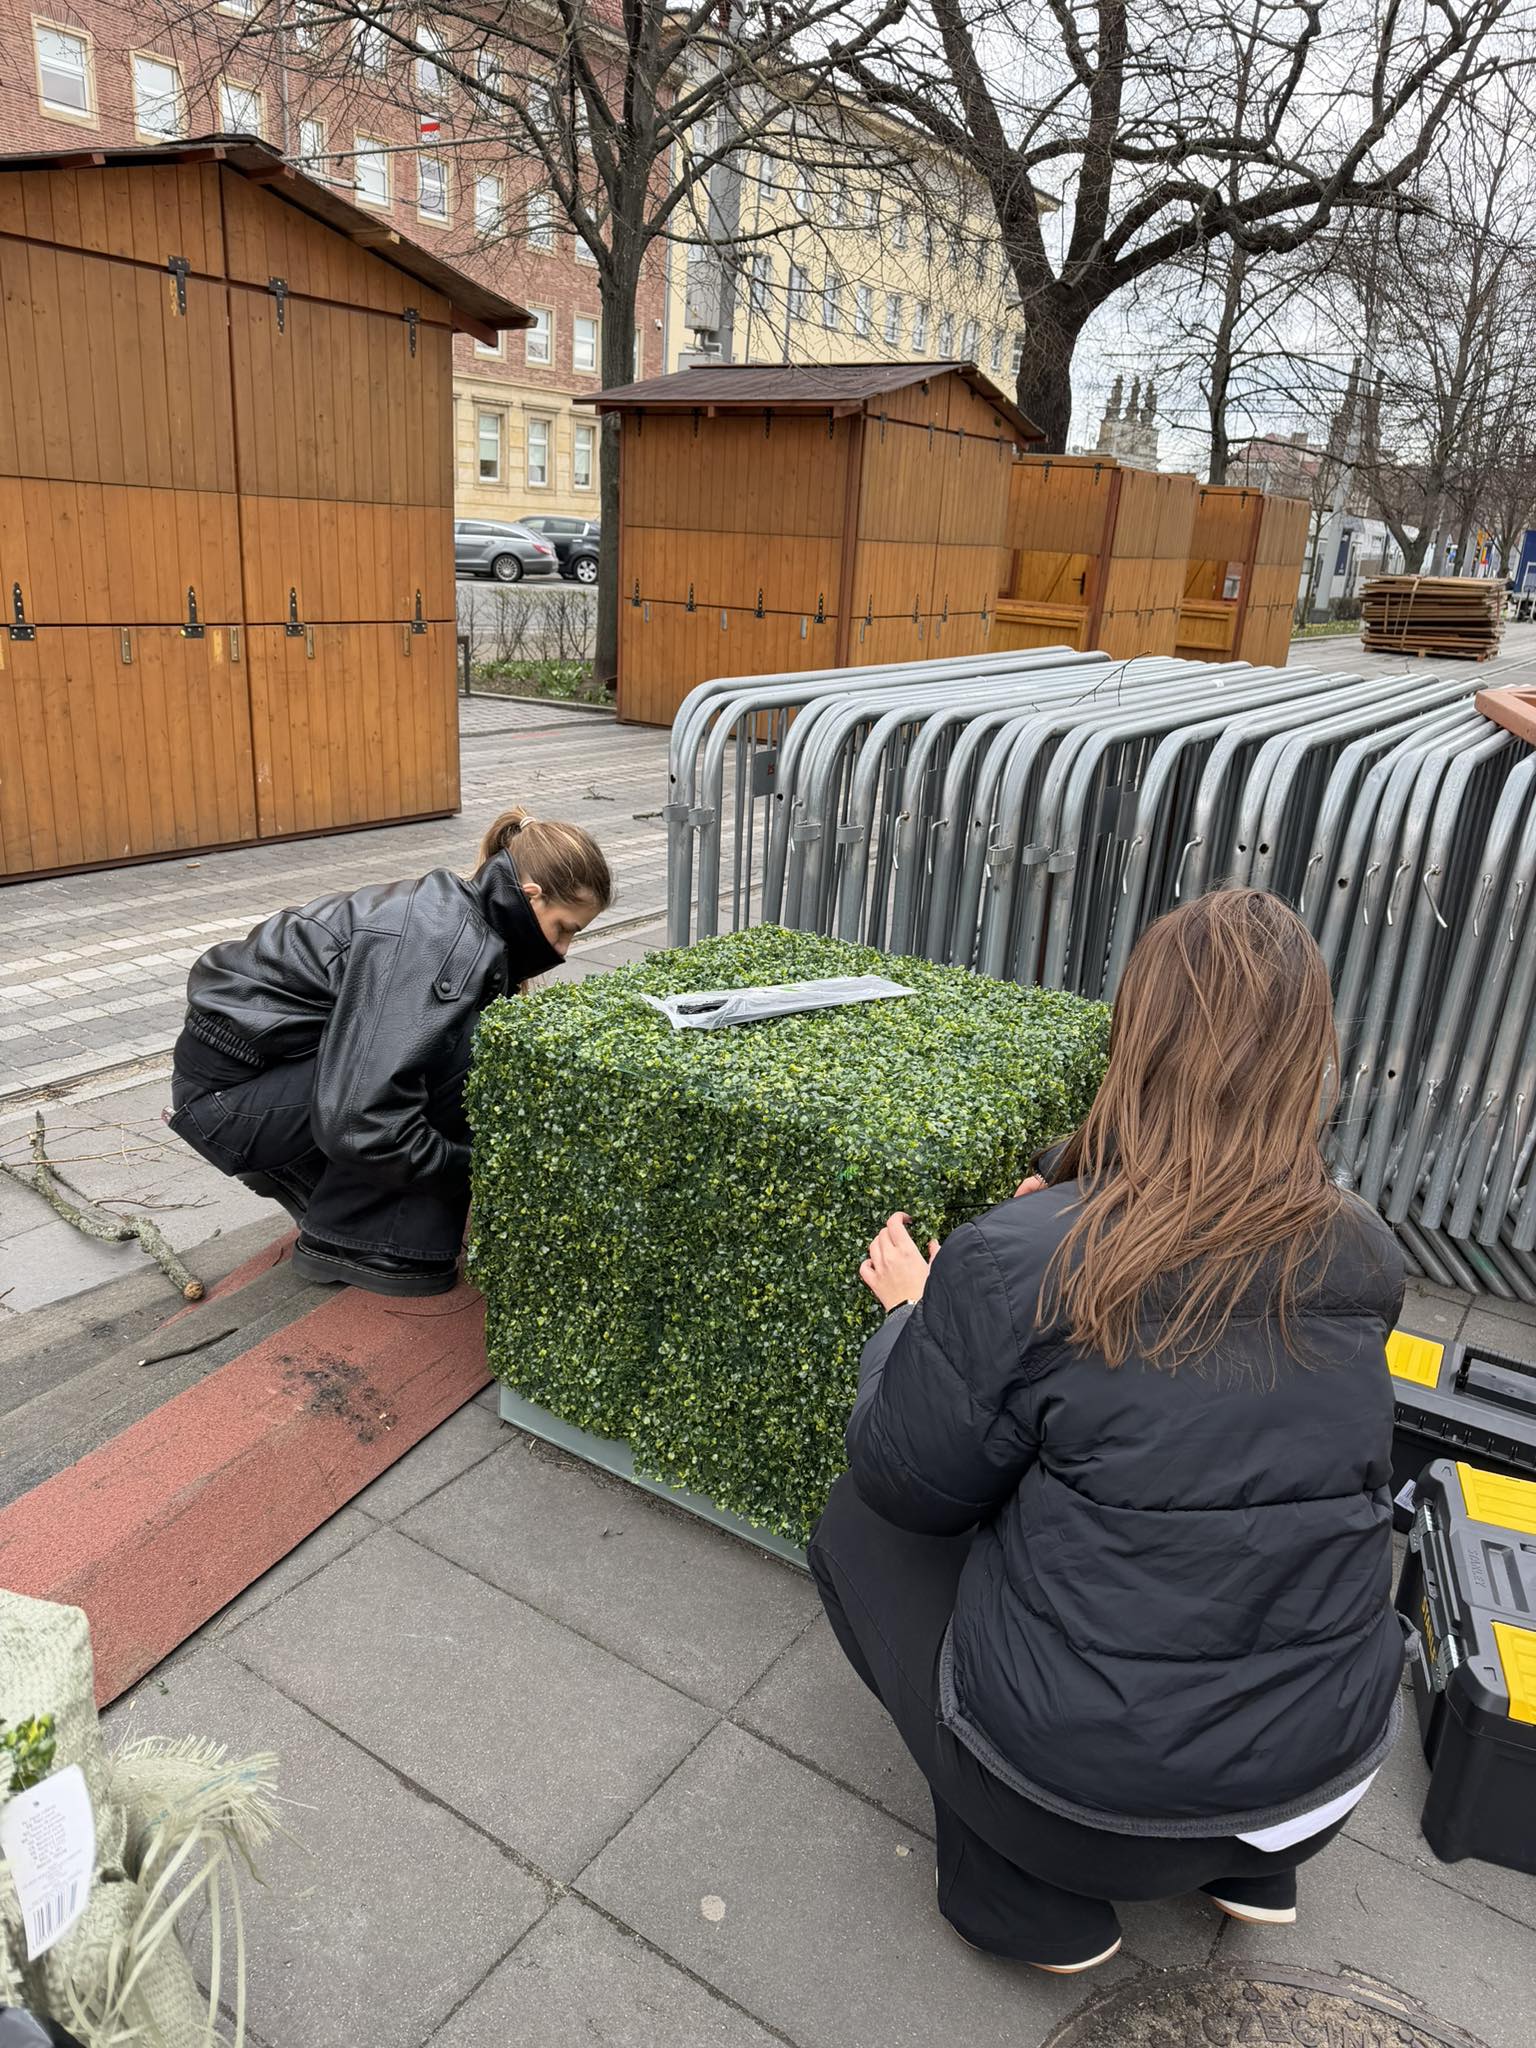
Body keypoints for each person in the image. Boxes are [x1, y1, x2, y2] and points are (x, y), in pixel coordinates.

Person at [808, 888, 1406, 1973]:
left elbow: (907, 1480)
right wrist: (1066, 1189)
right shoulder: (1361, 1246)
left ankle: (1023, 1898)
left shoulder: (1024, 1259)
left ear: (1136, 1036)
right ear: (1308, 1060)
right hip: (1324, 1780)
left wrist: (912, 1313)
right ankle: (1247, 1872)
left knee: (858, 1523)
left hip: (1083, 1803)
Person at [166, 809, 611, 1296]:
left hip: (256, 1076)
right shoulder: (442, 942)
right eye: (564, 928)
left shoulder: (455, 917)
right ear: (531, 895)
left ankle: (329, 1192)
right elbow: (361, 1118)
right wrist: (473, 1167)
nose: (563, 950)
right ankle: (367, 1242)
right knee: (463, 1057)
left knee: (450, 1047)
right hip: (225, 1103)